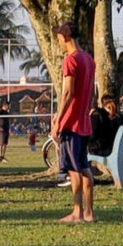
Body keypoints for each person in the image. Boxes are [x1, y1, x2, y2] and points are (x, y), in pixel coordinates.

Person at [50, 20, 96, 223]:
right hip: (84, 122)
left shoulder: (71, 59)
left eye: (59, 38)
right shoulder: (88, 58)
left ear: (65, 37)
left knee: (73, 169)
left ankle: (77, 212)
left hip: (71, 122)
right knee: (84, 166)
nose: (58, 42)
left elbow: (68, 91)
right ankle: (89, 212)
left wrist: (58, 119)